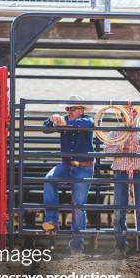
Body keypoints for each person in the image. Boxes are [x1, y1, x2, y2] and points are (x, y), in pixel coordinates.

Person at [41, 95, 95, 253]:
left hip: (83, 167)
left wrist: (64, 122)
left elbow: (85, 124)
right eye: (67, 108)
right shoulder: (65, 120)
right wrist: (53, 119)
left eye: (73, 108)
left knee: (78, 206)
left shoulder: (87, 120)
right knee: (49, 179)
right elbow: (45, 128)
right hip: (67, 165)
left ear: (81, 110)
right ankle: (51, 220)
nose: (69, 111)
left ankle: (77, 245)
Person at [104, 106, 140, 256]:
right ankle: (120, 247)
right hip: (120, 173)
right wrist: (124, 148)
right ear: (122, 115)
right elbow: (108, 152)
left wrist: (132, 148)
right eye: (127, 112)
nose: (130, 114)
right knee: (119, 212)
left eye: (133, 111)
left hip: (139, 174)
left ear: (138, 114)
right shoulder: (115, 132)